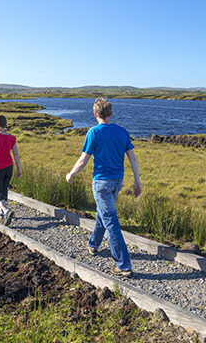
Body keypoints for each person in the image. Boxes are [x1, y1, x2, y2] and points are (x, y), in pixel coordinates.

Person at [66, 98, 141, 278]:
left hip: (101, 183)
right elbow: (132, 158)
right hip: (117, 182)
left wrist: (71, 174)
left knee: (111, 221)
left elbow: (84, 159)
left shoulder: (93, 132)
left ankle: (123, 265)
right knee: (104, 213)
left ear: (95, 114)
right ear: (111, 113)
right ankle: (93, 244)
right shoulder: (122, 132)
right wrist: (137, 181)